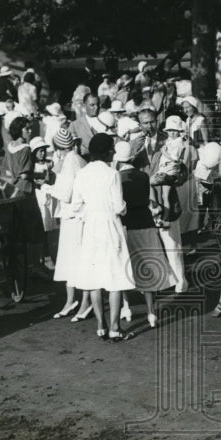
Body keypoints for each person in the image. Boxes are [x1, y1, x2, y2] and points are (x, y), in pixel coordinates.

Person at [71, 133, 136, 341]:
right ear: (108, 151)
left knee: (94, 277)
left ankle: (101, 325)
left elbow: (75, 205)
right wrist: (124, 208)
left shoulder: (82, 174)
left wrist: (88, 215)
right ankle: (115, 327)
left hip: (90, 227)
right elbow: (119, 206)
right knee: (115, 277)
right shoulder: (112, 174)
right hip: (109, 225)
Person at [115, 140, 175, 329]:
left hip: (126, 226)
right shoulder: (143, 176)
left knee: (124, 267)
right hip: (145, 223)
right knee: (147, 268)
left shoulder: (116, 177)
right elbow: (150, 200)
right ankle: (151, 313)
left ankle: (126, 307)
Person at [134, 111, 189, 293]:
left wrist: (169, 180)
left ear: (157, 122)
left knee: (172, 243)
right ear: (139, 124)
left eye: (151, 122)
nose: (149, 126)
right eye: (145, 123)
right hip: (146, 200)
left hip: (166, 196)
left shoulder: (170, 139)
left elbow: (183, 172)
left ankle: (180, 282)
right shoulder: (136, 144)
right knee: (151, 244)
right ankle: (159, 282)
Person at [43, 128, 90, 320]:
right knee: (69, 261)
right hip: (71, 217)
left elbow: (66, 193)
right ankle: (71, 301)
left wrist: (47, 188)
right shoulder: (72, 159)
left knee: (78, 261)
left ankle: (85, 303)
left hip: (76, 217)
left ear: (58, 147)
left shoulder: (71, 161)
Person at [0, 117, 47, 305]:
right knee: (30, 235)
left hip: (10, 193)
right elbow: (25, 174)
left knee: (14, 237)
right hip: (25, 196)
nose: (30, 131)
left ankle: (22, 275)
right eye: (27, 129)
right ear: (20, 130)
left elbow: (7, 173)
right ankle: (33, 270)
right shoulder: (26, 149)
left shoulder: (9, 147)